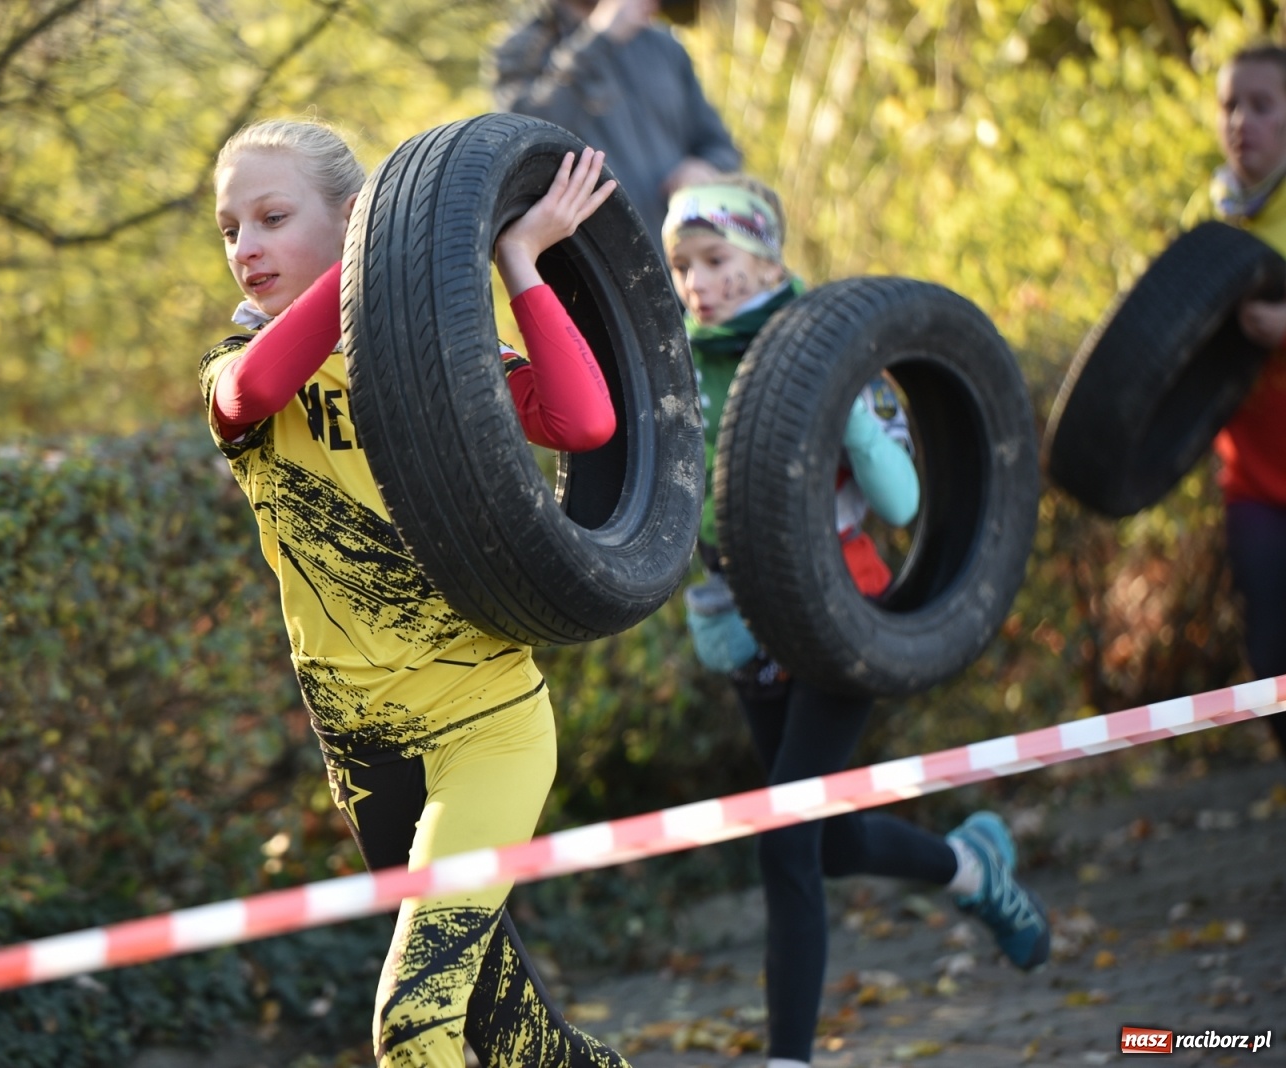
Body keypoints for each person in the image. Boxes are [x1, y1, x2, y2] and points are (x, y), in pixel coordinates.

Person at [199, 118, 630, 1068]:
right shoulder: (233, 372)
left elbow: (584, 421)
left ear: (352, 216)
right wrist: (371, 260)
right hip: (363, 748)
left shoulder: (432, 359)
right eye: (231, 229)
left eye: (273, 217)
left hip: (488, 725)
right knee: (516, 1039)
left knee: (415, 1022)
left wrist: (518, 260)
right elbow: (251, 394)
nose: (247, 248)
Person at [664, 177, 1051, 1068]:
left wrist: (842, 412)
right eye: (685, 266)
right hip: (741, 618)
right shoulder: (679, 360)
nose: (699, 284)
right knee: (829, 839)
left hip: (842, 613)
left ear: (768, 260)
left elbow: (905, 500)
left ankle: (789, 1057)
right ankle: (970, 869)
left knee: (786, 839)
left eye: (717, 261)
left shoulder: (833, 347)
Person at [489, 0, 742, 258]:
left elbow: (720, 146)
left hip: (685, 258)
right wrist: (598, 38)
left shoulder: (664, 45)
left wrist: (704, 167)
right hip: (594, 267)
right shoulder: (521, 48)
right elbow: (526, 143)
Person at [1210, 43, 1286, 762]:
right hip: (1254, 482)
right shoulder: (1212, 221)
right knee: (1270, 657)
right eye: (1231, 105)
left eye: (1261, 105)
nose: (1242, 122)